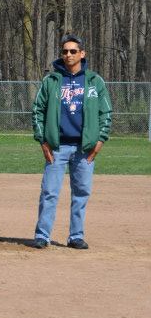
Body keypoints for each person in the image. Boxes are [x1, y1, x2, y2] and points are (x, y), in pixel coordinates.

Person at [32, 34, 112, 249]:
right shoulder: (51, 80)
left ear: (82, 54)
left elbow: (106, 113)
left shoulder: (94, 81)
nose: (68, 55)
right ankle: (42, 235)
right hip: (56, 147)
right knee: (49, 192)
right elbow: (37, 111)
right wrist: (43, 141)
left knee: (81, 193)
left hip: (84, 148)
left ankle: (75, 236)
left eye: (73, 51)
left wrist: (100, 141)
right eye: (65, 51)